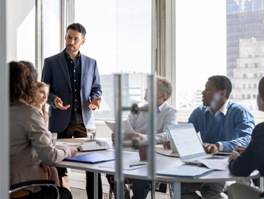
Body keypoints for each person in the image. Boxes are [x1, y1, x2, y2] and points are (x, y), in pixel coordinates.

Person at [41, 23, 103, 199]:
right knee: (60, 167)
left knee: (92, 167)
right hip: (61, 123)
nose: (71, 41)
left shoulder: (92, 63)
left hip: (85, 123)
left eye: (76, 39)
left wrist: (94, 99)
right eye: (69, 37)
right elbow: (44, 89)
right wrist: (53, 100)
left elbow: (97, 88)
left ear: (82, 41)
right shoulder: (51, 62)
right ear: (65, 37)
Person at [9, 61, 78, 199]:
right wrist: (69, 150)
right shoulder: (29, 113)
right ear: (30, 85)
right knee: (64, 194)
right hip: (19, 189)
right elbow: (50, 157)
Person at [181, 75, 255, 199]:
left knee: (210, 192)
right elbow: (186, 135)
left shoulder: (240, 112)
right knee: (179, 187)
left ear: (221, 93)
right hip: (202, 164)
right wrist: (173, 141)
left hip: (228, 164)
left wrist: (218, 146)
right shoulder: (199, 111)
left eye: (208, 89)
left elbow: (246, 140)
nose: (203, 92)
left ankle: (222, 190)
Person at [107, 76, 177, 199]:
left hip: (153, 158)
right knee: (110, 167)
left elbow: (168, 134)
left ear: (163, 95)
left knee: (139, 177)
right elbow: (127, 127)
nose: (146, 89)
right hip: (131, 153)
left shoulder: (170, 112)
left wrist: (143, 137)